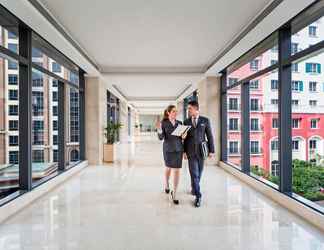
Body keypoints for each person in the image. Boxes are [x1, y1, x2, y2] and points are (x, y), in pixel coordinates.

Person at [183, 100, 215, 207]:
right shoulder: (186, 122)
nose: (188, 111)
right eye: (188, 109)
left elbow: (209, 136)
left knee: (199, 173)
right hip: (190, 152)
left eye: (190, 109)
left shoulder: (205, 120)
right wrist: (184, 152)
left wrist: (212, 150)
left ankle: (194, 187)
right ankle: (198, 196)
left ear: (196, 109)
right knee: (194, 174)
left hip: (202, 151)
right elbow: (184, 139)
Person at [157, 105, 186, 205]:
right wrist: (159, 130)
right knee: (168, 168)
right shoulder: (163, 123)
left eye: (176, 111)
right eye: (173, 111)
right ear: (168, 112)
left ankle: (175, 192)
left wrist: (183, 136)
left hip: (178, 149)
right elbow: (161, 138)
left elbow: (182, 138)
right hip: (168, 149)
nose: (175, 113)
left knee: (177, 170)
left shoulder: (180, 123)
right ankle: (166, 183)